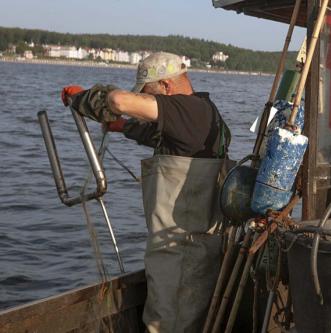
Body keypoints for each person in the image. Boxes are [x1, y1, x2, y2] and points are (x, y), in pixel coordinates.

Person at [61, 52, 231, 333]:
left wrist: (84, 98)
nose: (145, 102)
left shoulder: (185, 108)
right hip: (195, 247)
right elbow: (159, 136)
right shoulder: (202, 112)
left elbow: (118, 101)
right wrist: (123, 126)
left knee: (166, 323)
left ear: (166, 87)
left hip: (180, 253)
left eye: (148, 95)